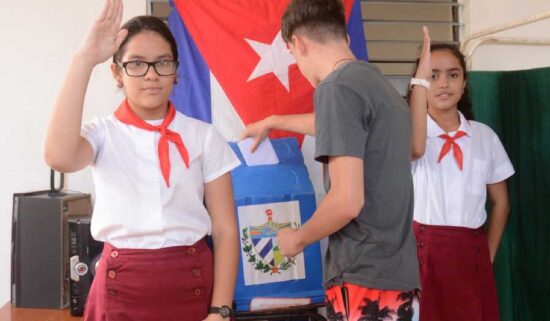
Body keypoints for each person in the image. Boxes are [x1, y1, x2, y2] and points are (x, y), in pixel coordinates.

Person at [44, 1, 240, 320]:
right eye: (136, 64)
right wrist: (84, 59)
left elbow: (226, 230)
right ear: (117, 73)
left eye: (162, 62)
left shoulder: (204, 136)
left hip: (190, 280)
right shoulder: (102, 133)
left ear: (176, 71)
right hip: (120, 285)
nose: (151, 75)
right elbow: (59, 156)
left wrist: (221, 309)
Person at [241, 1, 420, 320]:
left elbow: (347, 201)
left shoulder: (336, 88)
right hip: (395, 279)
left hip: (363, 280)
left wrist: (296, 239)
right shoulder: (375, 84)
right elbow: (344, 125)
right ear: (345, 38)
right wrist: (276, 120)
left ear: (297, 43)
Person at [408, 27, 514, 321]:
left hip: (472, 256)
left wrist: (487, 253)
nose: (443, 83)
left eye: (453, 75)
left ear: (464, 83)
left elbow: (501, 203)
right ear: (419, 83)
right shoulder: (409, 137)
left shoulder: (484, 136)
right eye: (433, 75)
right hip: (422, 257)